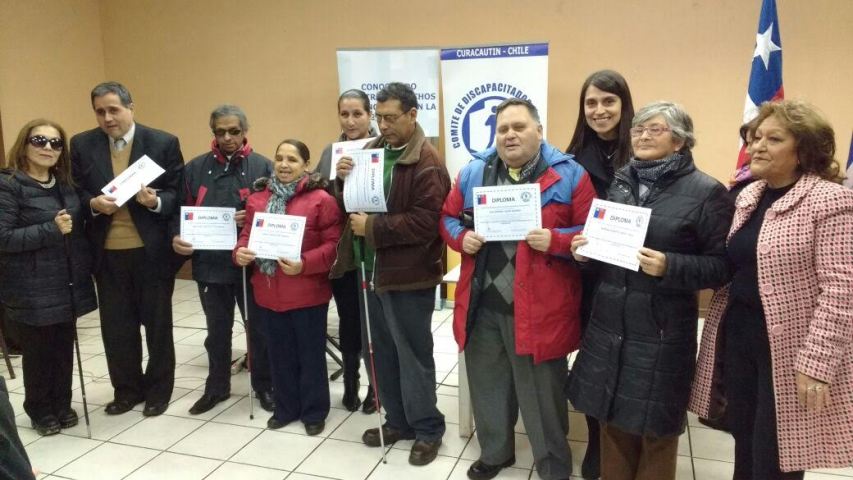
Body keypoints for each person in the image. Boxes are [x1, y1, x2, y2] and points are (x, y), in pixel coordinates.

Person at [567, 101, 733, 480]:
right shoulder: (622, 181)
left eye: (654, 129)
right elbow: (609, 248)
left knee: (656, 431)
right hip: (610, 324)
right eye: (638, 129)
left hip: (661, 331)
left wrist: (670, 266)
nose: (642, 136)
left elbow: (722, 266)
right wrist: (585, 252)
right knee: (611, 421)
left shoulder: (707, 192)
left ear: (679, 141)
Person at [690, 100, 853, 479]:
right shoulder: (749, 195)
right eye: (755, 136)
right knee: (745, 441)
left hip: (791, 348)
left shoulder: (831, 200)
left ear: (804, 150)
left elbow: (842, 293)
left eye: (773, 138)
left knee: (777, 455)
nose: (757, 146)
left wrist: (817, 365)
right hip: (740, 336)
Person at [441, 98, 595, 480]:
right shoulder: (474, 171)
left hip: (540, 307)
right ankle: (495, 452)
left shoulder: (571, 175)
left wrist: (557, 240)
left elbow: (592, 232)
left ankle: (553, 464)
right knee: (488, 385)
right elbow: (446, 217)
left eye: (519, 127)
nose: (509, 135)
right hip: (483, 304)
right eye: (502, 129)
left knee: (542, 394)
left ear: (539, 131)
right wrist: (462, 238)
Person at [332, 82, 450, 466]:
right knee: (380, 352)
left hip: (409, 276)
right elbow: (351, 205)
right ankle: (398, 420)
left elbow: (428, 223)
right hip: (370, 269)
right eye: (379, 117)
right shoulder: (372, 151)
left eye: (391, 118)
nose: (383, 125)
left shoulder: (427, 162)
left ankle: (428, 428)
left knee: (413, 354)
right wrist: (342, 179)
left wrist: (376, 229)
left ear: (413, 115)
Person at [71, 81, 184, 417]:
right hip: (106, 254)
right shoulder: (81, 144)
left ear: (130, 107)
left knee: (158, 326)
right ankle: (126, 390)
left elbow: (179, 193)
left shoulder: (162, 142)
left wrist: (156, 201)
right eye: (100, 111)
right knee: (117, 329)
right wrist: (92, 203)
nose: (107, 118)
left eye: (113, 110)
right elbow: (73, 192)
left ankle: (158, 391)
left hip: (151, 253)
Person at [234, 139, 341, 436]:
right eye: (279, 158)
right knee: (278, 355)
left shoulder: (321, 199)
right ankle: (286, 408)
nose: (283, 164)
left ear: (305, 165)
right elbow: (246, 236)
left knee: (309, 356)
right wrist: (240, 252)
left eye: (292, 159)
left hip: (307, 292)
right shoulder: (258, 199)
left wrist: (304, 263)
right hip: (268, 292)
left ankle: (314, 411)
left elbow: (334, 245)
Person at [172, 105, 275, 415]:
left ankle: (265, 386)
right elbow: (182, 211)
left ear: (245, 131)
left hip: (251, 264)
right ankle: (217, 387)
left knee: (258, 328)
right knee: (216, 331)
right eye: (221, 132)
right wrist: (179, 238)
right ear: (213, 133)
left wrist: (254, 219)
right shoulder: (194, 168)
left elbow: (280, 215)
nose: (228, 138)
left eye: (234, 131)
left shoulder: (264, 166)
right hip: (210, 266)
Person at [0, 119, 97, 435]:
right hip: (30, 286)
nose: (47, 148)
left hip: (66, 281)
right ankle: (40, 409)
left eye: (56, 143)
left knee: (62, 347)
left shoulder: (64, 184)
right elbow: (4, 237)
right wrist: (49, 229)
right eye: (39, 140)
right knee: (39, 351)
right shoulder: (9, 184)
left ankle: (62, 403)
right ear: (24, 144)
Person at [565, 69, 635, 479]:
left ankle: (623, 445)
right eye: (591, 103)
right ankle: (596, 442)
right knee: (592, 365)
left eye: (608, 101)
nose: (599, 110)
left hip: (635, 278)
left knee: (628, 365)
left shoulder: (645, 153)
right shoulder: (571, 159)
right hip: (590, 278)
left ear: (624, 105)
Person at [316, 89, 378, 413]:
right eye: (345, 114)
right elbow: (318, 196)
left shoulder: (385, 147)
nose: (351, 120)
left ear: (370, 116)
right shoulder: (331, 152)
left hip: (375, 249)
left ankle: (376, 387)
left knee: (375, 323)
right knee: (349, 320)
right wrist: (333, 180)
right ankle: (351, 382)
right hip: (343, 254)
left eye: (358, 114)